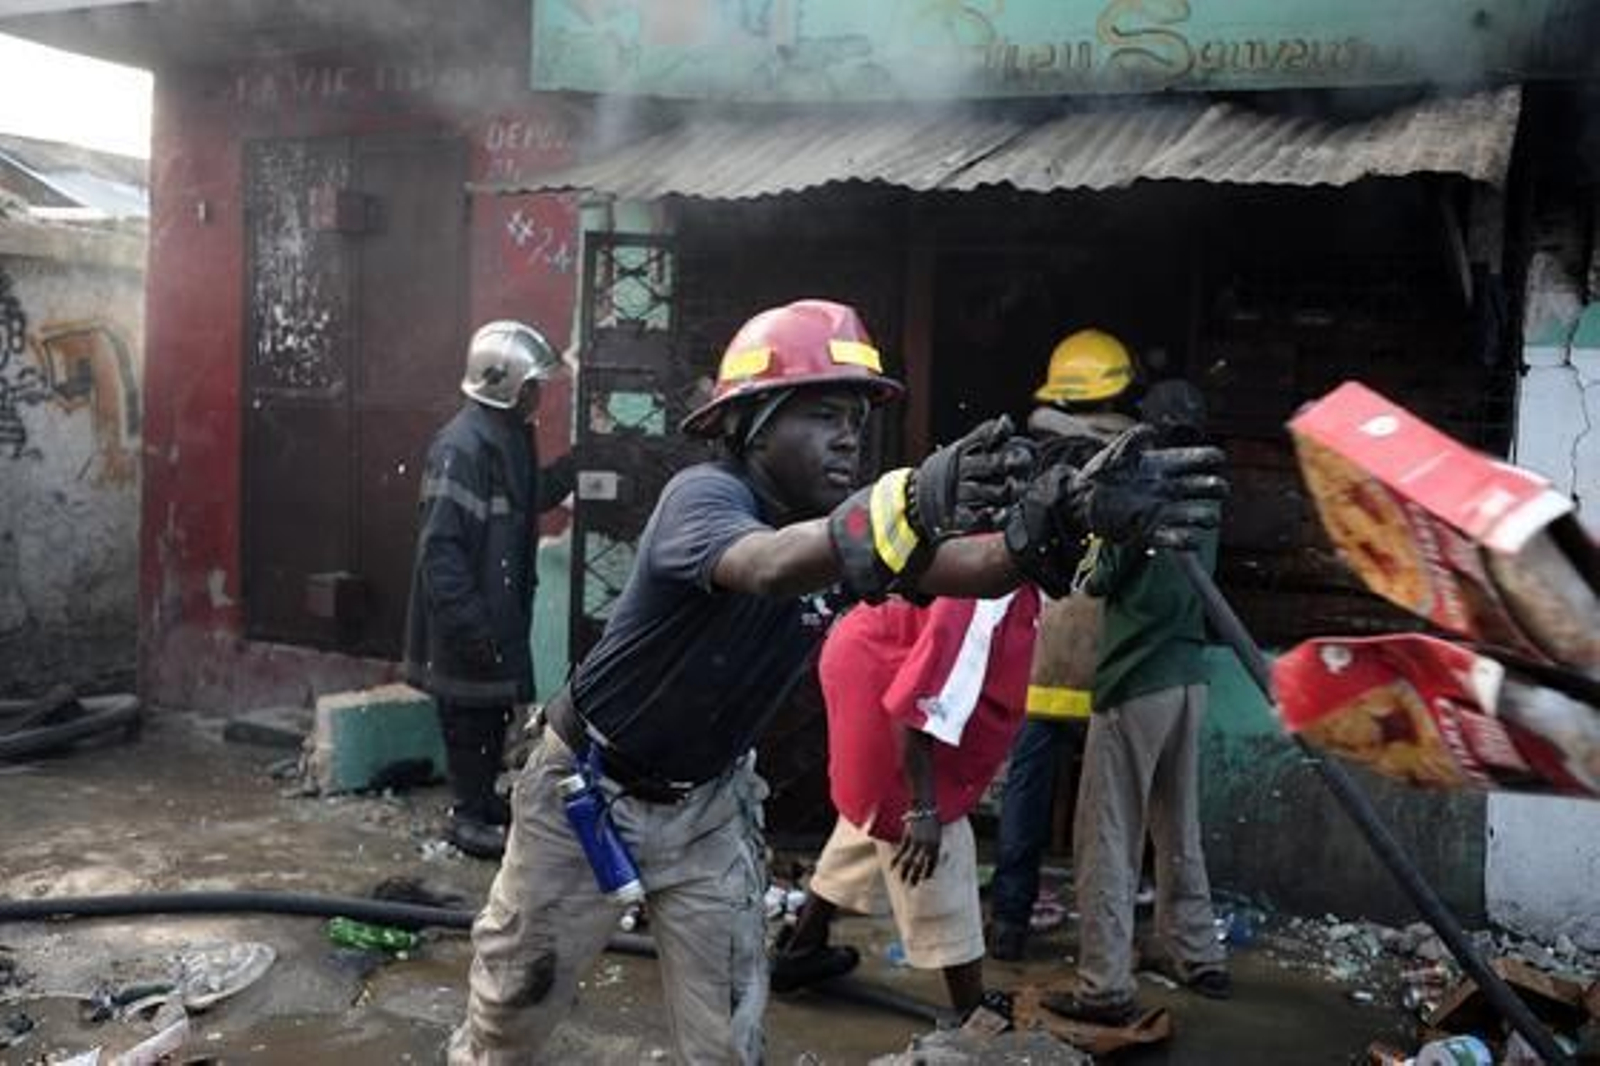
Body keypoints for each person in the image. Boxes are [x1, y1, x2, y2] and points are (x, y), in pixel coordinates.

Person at [446, 299, 1227, 1064]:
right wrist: (911, 501)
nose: (848, 438)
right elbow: (768, 564)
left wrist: (1062, 522)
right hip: (588, 794)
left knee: (725, 1041)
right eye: (822, 415)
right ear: (748, 423)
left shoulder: (853, 536)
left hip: (707, 808)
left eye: (856, 420)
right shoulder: (705, 498)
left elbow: (972, 569)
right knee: (511, 1023)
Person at [1043, 379, 1232, 1027]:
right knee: (1179, 827)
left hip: (1136, 680)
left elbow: (1096, 581)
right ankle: (1199, 955)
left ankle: (1103, 986)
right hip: (1190, 677)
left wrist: (1096, 529)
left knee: (1108, 835)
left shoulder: (1139, 494)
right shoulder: (1206, 488)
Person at [773, 587, 1041, 1014]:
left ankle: (800, 949)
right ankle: (972, 1011)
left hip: (877, 654)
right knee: (932, 844)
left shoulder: (1006, 564)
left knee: (874, 817)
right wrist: (924, 808)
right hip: (886, 679)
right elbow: (920, 703)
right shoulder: (987, 591)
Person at [989, 328, 1136, 961]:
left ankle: (1009, 926)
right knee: (1106, 818)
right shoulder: (1136, 460)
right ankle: (1107, 942)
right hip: (1110, 665)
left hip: (1039, 659)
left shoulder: (1030, 456)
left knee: (1024, 799)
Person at [402, 320, 575, 861]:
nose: (538, 395)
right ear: (505, 384)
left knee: (493, 715)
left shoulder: (509, 437)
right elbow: (442, 552)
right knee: (466, 717)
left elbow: (530, 500)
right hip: (468, 617)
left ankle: (480, 801)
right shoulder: (461, 446)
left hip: (498, 612)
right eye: (532, 386)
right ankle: (467, 815)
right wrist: (470, 625)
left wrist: (576, 465)